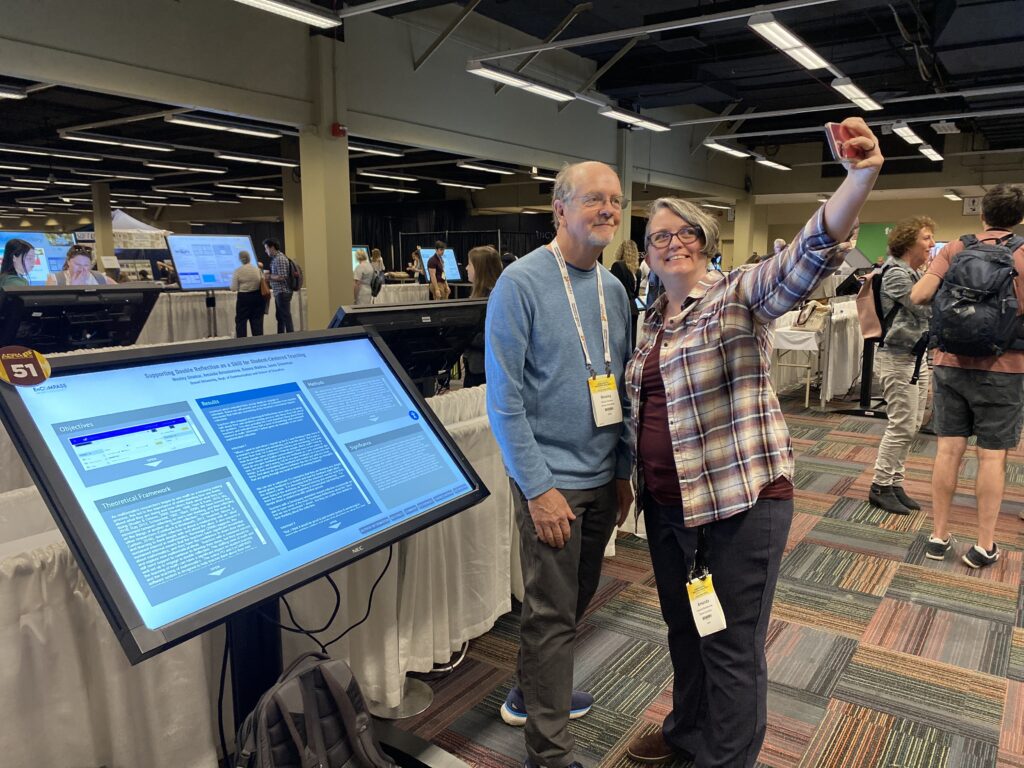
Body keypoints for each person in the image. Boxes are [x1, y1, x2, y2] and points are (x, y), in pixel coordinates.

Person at [623, 117, 883, 768]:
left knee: (731, 647)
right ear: (646, 254)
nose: (671, 242)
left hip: (736, 510)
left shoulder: (736, 295)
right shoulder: (651, 319)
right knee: (686, 632)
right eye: (658, 236)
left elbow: (806, 255)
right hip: (666, 510)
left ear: (707, 246)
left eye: (684, 232)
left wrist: (860, 176)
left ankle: (722, 758)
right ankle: (688, 734)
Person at [486, 161, 634, 768]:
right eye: (594, 199)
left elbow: (622, 389)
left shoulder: (616, 290)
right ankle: (547, 754)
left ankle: (533, 690)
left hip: (602, 478)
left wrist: (623, 473)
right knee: (549, 617)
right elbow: (505, 401)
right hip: (552, 484)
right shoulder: (520, 284)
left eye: (616, 201)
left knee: (574, 603)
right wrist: (539, 488)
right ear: (560, 207)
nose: (607, 210)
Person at [910, 183, 1024, 565]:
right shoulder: (1022, 253)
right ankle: (984, 545)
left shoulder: (955, 249)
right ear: (1019, 219)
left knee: (948, 451)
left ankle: (939, 536)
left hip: (950, 363)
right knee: (992, 457)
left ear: (982, 215)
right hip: (1005, 367)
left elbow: (918, 296)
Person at [867, 216, 935, 514]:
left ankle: (895, 483)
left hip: (914, 356)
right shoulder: (896, 273)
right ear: (909, 242)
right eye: (927, 238)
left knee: (912, 424)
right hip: (897, 357)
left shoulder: (912, 272)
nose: (932, 243)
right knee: (901, 425)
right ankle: (880, 486)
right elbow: (923, 308)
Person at [463, 245, 502, 388]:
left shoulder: (495, 299)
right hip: (474, 366)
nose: (466, 268)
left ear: (480, 269)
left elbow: (493, 337)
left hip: (483, 372)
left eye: (470, 264)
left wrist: (463, 336)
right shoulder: (480, 297)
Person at [611, 240, 641, 345]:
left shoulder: (617, 266)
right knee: (631, 341)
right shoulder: (638, 270)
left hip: (620, 308)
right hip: (633, 309)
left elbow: (615, 291)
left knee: (619, 342)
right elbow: (636, 294)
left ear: (621, 250)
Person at [46, 245, 117, 285]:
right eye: (77, 264)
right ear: (68, 262)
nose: (81, 268)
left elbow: (120, 293)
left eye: (86, 265)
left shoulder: (100, 278)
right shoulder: (55, 280)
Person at [231, 250, 264, 337]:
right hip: (257, 297)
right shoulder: (257, 269)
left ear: (240, 259)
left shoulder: (238, 271)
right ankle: (259, 344)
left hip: (243, 298)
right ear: (249, 258)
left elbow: (233, 288)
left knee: (241, 322)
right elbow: (262, 281)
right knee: (257, 322)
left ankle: (242, 345)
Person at [264, 238, 294, 333]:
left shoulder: (279, 259)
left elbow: (282, 276)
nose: (265, 251)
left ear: (272, 247)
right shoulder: (276, 258)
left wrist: (268, 276)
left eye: (266, 248)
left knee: (285, 317)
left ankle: (291, 338)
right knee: (280, 317)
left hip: (282, 292)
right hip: (279, 292)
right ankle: (281, 337)